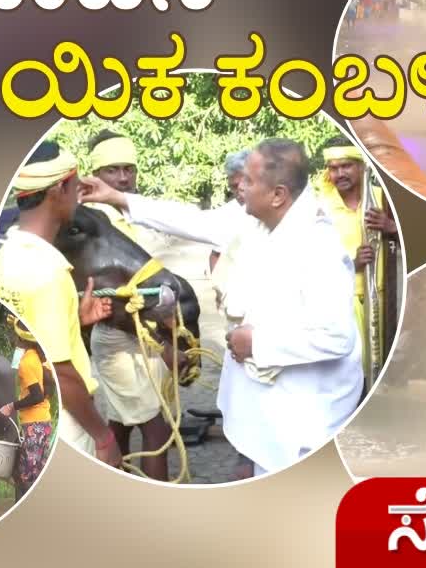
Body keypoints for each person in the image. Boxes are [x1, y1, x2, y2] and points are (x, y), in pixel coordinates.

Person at [80, 138, 363, 476]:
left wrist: (256, 344)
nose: (239, 187)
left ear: (278, 194)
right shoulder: (261, 219)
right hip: (273, 415)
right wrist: (117, 197)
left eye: (249, 181)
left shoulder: (318, 247)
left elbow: (335, 337)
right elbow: (193, 221)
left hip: (303, 423)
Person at [0, 141, 122, 467]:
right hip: (68, 421)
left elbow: (24, 340)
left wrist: (74, 320)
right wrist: (103, 436)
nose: (78, 194)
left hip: (38, 412)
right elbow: (61, 373)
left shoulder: (6, 255)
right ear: (60, 188)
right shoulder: (49, 271)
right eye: (76, 185)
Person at [78, 129, 174, 481]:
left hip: (145, 334)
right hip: (118, 336)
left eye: (128, 169)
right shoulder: (88, 226)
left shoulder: (137, 215)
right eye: (112, 170)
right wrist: (163, 337)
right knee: (156, 430)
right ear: (96, 175)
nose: (122, 177)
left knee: (119, 424)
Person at [315, 137, 398, 395]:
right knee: (345, 377)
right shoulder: (318, 207)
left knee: (381, 372)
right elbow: (308, 262)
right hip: (339, 303)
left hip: (383, 302)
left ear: (361, 166)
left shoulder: (383, 200)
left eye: (346, 166)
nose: (339, 173)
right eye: (333, 167)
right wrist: (352, 264)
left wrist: (392, 228)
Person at [0, 336, 54, 501]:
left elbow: (36, 396)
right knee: (36, 472)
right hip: (44, 422)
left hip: (33, 424)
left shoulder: (27, 363)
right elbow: (45, 392)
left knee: (25, 475)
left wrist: (11, 406)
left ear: (20, 338)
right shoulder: (41, 358)